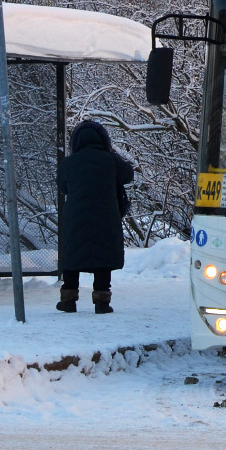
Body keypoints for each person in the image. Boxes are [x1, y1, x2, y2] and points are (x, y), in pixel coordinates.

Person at [56, 119, 134, 314]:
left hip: (75, 216)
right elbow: (128, 175)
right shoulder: (111, 160)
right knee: (102, 255)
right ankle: (102, 302)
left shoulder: (69, 163)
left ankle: (68, 300)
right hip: (105, 216)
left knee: (73, 255)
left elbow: (62, 187)